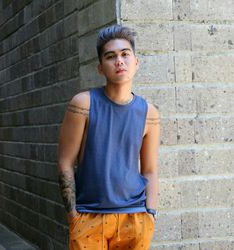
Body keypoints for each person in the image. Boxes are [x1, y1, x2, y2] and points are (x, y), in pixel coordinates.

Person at [58, 24, 160, 250]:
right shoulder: (82, 104)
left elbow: (150, 170)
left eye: (125, 54)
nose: (119, 61)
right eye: (110, 56)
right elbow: (65, 162)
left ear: (136, 62)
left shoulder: (149, 113)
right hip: (89, 217)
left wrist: (150, 213)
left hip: (135, 218)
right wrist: (73, 215)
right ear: (100, 68)